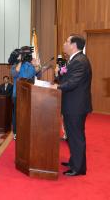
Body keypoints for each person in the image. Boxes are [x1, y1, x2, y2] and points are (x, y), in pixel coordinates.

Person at [53, 34, 92, 176]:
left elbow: (73, 82)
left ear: (74, 45)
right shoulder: (73, 60)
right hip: (71, 104)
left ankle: (79, 168)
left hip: (76, 106)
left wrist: (56, 88)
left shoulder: (80, 61)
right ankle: (74, 161)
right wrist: (58, 74)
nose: (64, 44)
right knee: (71, 135)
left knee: (76, 136)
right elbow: (66, 79)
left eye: (66, 41)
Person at [10, 47, 41, 139]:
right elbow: (15, 74)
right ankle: (16, 132)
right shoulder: (15, 65)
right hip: (17, 94)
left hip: (29, 94)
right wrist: (20, 61)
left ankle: (26, 131)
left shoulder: (30, 65)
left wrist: (36, 65)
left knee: (27, 115)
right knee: (17, 114)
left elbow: (38, 75)